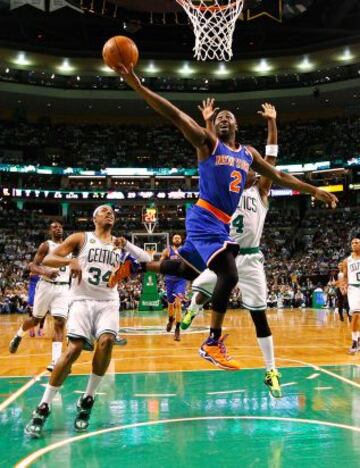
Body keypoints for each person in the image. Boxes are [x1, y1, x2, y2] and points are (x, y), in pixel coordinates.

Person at [114, 64, 338, 370]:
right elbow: (176, 115)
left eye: (227, 118)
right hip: (205, 217)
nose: (222, 120)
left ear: (235, 125)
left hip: (217, 223)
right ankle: (212, 341)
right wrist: (137, 85)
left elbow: (277, 174)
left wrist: (313, 190)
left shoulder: (247, 154)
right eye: (218, 118)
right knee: (229, 275)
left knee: (184, 268)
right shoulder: (208, 144)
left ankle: (137, 266)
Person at [182, 101, 283, 396]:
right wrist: (209, 122)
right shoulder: (226, 185)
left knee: (259, 315)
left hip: (250, 260)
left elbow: (272, 162)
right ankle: (192, 311)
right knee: (203, 285)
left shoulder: (261, 191)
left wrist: (272, 123)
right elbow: (215, 154)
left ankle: (271, 369)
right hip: (225, 250)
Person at [24, 205, 125, 437]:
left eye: (112, 212)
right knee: (74, 350)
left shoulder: (119, 245)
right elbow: (49, 258)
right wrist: (70, 262)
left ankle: (87, 399)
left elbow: (134, 263)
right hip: (81, 300)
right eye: (104, 210)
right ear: (94, 218)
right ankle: (43, 406)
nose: (109, 213)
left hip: (108, 301)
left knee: (107, 341)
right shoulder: (81, 238)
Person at [9, 221, 69, 372]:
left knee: (60, 322)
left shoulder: (69, 246)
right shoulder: (46, 245)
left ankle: (55, 361)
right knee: (36, 320)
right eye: (55, 227)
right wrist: (46, 272)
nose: (58, 228)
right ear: (50, 231)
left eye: (60, 226)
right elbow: (32, 266)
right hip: (46, 285)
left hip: (63, 288)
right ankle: (18, 335)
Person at [161, 234, 187, 341]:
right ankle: (171, 319)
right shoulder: (167, 251)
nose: (177, 239)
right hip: (169, 280)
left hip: (181, 280)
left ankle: (177, 330)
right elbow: (161, 262)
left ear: (181, 240)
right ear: (172, 240)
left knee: (178, 304)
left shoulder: (185, 251)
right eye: (175, 238)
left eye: (179, 238)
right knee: (170, 305)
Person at [341, 237, 360, 354]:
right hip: (353, 288)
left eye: (357, 242)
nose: (354, 244)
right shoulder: (346, 261)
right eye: (352, 243)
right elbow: (345, 276)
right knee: (355, 315)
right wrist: (343, 285)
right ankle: (354, 341)